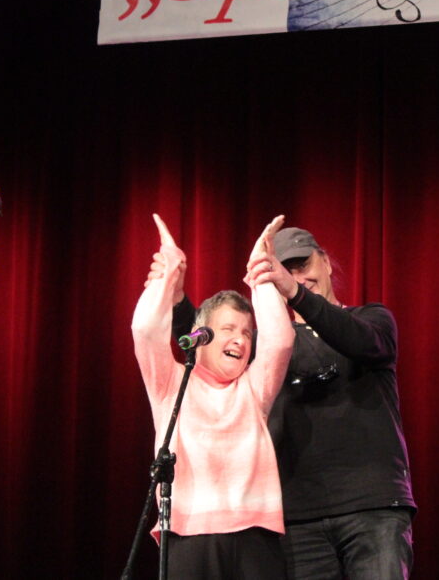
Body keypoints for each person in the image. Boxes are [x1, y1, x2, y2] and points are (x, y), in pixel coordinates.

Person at [162, 225, 416, 579]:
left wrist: (295, 293)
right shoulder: (270, 346)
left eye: (303, 265)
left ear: (326, 262)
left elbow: (362, 342)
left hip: (372, 508)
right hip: (298, 520)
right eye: (285, 271)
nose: (296, 277)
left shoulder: (371, 318)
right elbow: (214, 349)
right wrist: (175, 299)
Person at [133, 214, 294, 579]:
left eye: (247, 333)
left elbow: (281, 341)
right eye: (228, 329)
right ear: (200, 335)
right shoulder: (172, 383)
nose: (240, 339)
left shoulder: (253, 388)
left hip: (255, 534)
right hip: (189, 535)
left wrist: (260, 274)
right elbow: (145, 331)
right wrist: (168, 273)